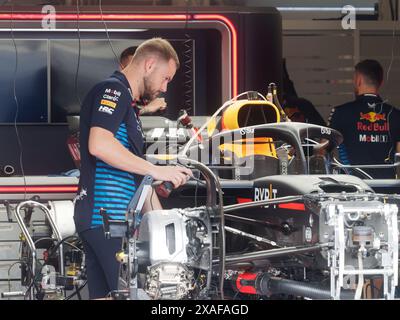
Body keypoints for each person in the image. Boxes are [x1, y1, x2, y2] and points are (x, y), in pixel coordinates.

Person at [73, 38, 192, 299]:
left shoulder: (128, 105)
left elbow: (137, 174)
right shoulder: (112, 90)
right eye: (166, 78)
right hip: (107, 218)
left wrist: (162, 225)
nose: (164, 87)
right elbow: (99, 144)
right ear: (149, 64)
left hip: (112, 222)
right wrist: (158, 170)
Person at [328, 59, 400, 179]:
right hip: (387, 189)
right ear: (380, 82)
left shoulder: (341, 112)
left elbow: (322, 150)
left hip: (355, 190)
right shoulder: (395, 115)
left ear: (358, 80)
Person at [120, 46, 167, 115]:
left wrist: (159, 107)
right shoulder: (115, 90)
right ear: (122, 68)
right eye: (133, 68)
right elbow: (117, 116)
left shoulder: (146, 94)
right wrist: (147, 109)